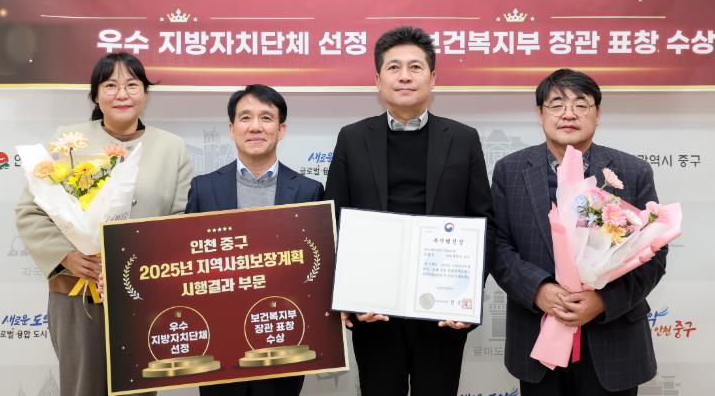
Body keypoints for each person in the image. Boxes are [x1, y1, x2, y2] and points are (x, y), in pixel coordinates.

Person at [323, 26, 495, 396]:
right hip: (374, 310)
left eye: (415, 67)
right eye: (394, 67)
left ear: (432, 78)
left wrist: (466, 301)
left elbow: (483, 223)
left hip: (442, 310)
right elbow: (334, 221)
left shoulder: (463, 139)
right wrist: (347, 298)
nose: (404, 76)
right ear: (378, 79)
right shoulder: (352, 138)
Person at [15, 52, 192, 396]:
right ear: (95, 95)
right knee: (82, 386)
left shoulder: (172, 148)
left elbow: (179, 219)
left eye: (132, 85)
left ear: (145, 94)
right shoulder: (67, 141)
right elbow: (30, 210)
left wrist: (146, 266)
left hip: (142, 292)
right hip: (79, 289)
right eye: (110, 85)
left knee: (139, 387)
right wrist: (66, 256)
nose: (122, 94)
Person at [489, 69, 666, 396]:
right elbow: (497, 246)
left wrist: (602, 301)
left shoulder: (632, 172)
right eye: (557, 104)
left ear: (598, 114)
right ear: (541, 113)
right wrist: (538, 290)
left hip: (613, 339)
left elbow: (653, 252)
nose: (568, 114)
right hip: (538, 334)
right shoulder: (509, 171)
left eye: (581, 105)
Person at [186, 84, 324, 396]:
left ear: (281, 129)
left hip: (283, 334)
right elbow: (187, 262)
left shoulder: (308, 191)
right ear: (231, 129)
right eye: (245, 118)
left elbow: (316, 267)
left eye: (266, 118)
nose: (256, 127)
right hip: (218, 337)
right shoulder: (203, 188)